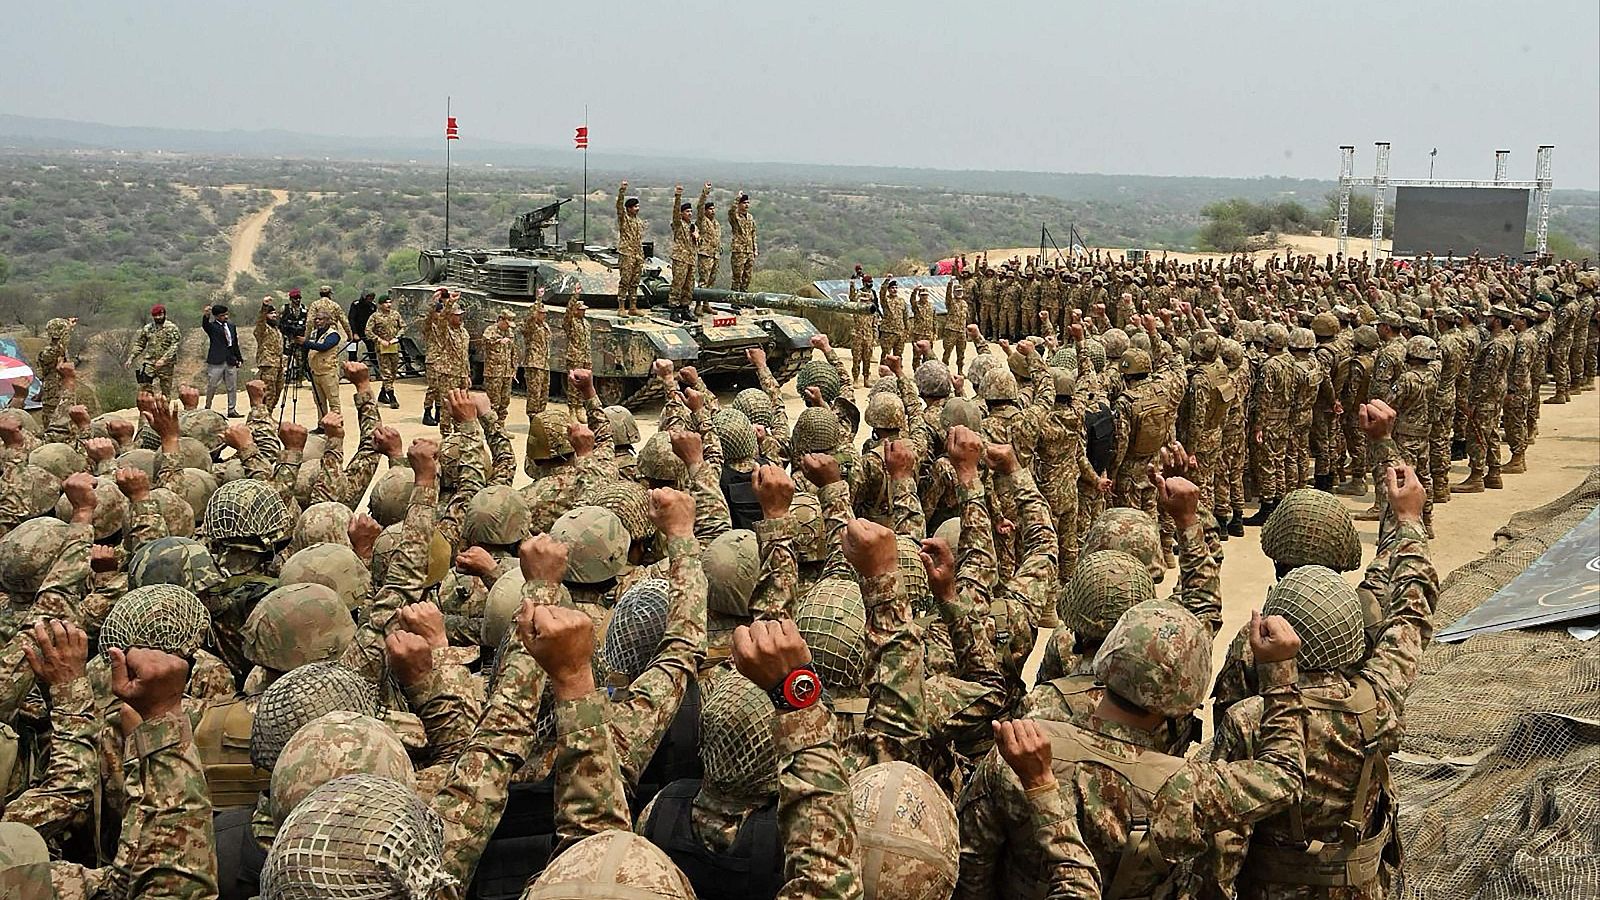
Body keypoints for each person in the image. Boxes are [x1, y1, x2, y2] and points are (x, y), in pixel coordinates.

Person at [126, 303, 182, 398]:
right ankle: (148, 408)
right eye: (156, 316)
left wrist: (163, 360)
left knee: (166, 391)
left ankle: (164, 410)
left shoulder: (172, 328)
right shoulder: (148, 328)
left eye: (160, 315)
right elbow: (140, 344)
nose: (158, 317)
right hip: (150, 362)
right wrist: (131, 357)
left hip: (166, 365)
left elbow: (175, 345)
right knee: (144, 387)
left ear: (164, 314)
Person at [301, 305, 344, 424]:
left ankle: (336, 425)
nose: (318, 321)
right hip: (316, 372)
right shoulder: (315, 333)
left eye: (321, 319)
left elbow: (324, 347)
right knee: (319, 401)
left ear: (328, 321)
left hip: (328, 372)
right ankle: (322, 424)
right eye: (316, 319)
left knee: (333, 401)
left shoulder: (333, 334)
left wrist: (306, 343)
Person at [201, 301, 245, 418]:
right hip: (216, 361)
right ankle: (207, 408)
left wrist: (239, 358)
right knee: (212, 385)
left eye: (226, 314)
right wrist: (206, 315)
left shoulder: (231, 326)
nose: (225, 317)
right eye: (222, 315)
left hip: (230, 360)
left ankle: (232, 410)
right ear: (216, 316)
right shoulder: (212, 327)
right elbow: (205, 325)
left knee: (232, 386)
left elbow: (235, 343)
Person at [366, 294, 404, 409]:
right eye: (386, 303)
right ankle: (392, 398)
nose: (388, 305)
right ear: (380, 304)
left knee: (392, 372)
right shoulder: (375, 317)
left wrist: (396, 338)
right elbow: (368, 331)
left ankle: (383, 394)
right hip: (382, 348)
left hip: (393, 347)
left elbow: (403, 327)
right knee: (386, 373)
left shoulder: (395, 314)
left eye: (389, 302)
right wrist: (379, 340)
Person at [482, 309, 519, 422]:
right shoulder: (490, 330)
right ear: (501, 320)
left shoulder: (510, 333)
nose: (508, 327)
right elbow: (485, 341)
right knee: (493, 401)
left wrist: (514, 369)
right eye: (506, 324)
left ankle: (501, 426)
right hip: (494, 372)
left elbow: (513, 352)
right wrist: (498, 341)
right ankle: (492, 427)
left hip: (507, 372)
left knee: (505, 401)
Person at [617, 180, 645, 316]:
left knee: (635, 282)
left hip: (638, 255)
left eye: (638, 206)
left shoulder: (639, 222)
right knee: (625, 281)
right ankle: (621, 307)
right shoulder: (624, 219)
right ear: (629, 208)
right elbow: (619, 207)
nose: (637, 209)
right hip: (627, 254)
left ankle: (633, 307)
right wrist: (622, 191)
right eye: (634, 207)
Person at [728, 191, 757, 292]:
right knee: (737, 276)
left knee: (747, 276)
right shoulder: (735, 216)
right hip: (739, 251)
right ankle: (734, 299)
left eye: (748, 203)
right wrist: (737, 198)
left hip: (749, 251)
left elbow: (753, 234)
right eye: (744, 203)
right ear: (739, 204)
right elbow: (731, 211)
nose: (747, 205)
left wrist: (754, 250)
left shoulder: (750, 217)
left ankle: (744, 298)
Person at [696, 182, 721, 291]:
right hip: (705, 255)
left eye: (714, 209)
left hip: (715, 255)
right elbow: (699, 206)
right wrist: (705, 192)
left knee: (711, 281)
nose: (713, 211)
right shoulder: (702, 221)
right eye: (710, 209)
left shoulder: (716, 223)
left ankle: (706, 305)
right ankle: (699, 305)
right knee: (704, 281)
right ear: (705, 211)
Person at [349, 290, 379, 364]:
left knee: (372, 351)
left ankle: (377, 371)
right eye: (369, 297)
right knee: (352, 351)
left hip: (367, 331)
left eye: (372, 298)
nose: (370, 299)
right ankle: (351, 367)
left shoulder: (373, 306)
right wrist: (354, 333)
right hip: (355, 330)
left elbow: (374, 320)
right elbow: (351, 319)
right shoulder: (356, 304)